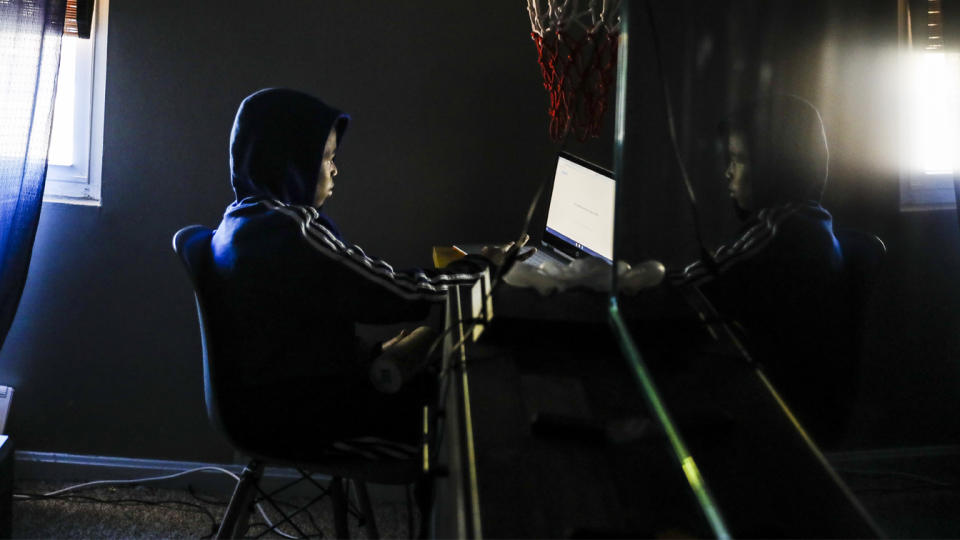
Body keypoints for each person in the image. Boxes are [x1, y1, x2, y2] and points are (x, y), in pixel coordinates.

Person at [208, 88, 514, 458]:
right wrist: (482, 267)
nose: (334, 168)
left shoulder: (241, 221)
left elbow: (295, 328)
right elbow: (391, 293)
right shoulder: (288, 231)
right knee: (463, 412)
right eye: (325, 157)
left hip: (271, 397)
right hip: (302, 411)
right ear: (290, 162)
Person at [669, 95, 857, 444]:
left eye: (739, 159)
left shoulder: (781, 227)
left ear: (776, 165)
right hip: (794, 387)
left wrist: (629, 281)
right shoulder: (809, 219)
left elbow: (694, 288)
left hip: (779, 399)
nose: (728, 171)